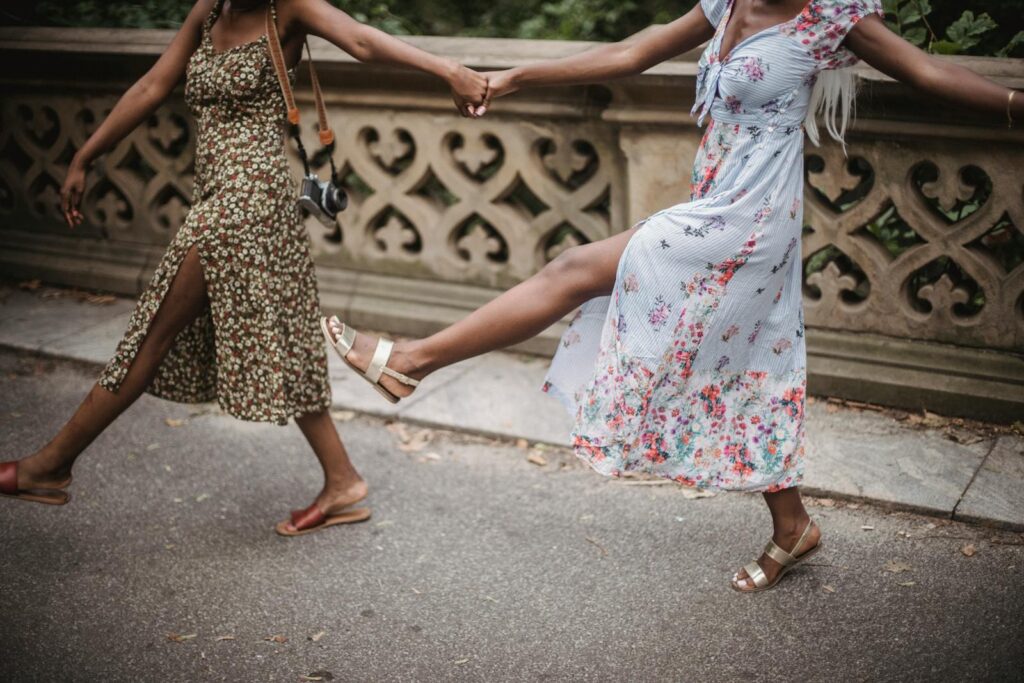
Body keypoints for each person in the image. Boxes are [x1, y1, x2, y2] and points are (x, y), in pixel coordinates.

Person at [324, 0, 1022, 589]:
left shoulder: (830, 16)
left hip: (750, 219)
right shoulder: (726, 2)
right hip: (717, 199)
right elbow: (632, 54)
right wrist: (513, 78)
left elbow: (927, 70)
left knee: (574, 268)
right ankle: (793, 524)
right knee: (741, 364)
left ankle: (412, 360)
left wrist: (1019, 103)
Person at [0, 0, 488, 537]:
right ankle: (343, 482)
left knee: (151, 334)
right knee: (286, 337)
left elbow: (363, 40)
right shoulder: (208, 10)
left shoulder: (293, 8)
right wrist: (84, 156)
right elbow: (151, 86)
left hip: (244, 203)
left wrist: (450, 71)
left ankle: (50, 465)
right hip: (225, 196)